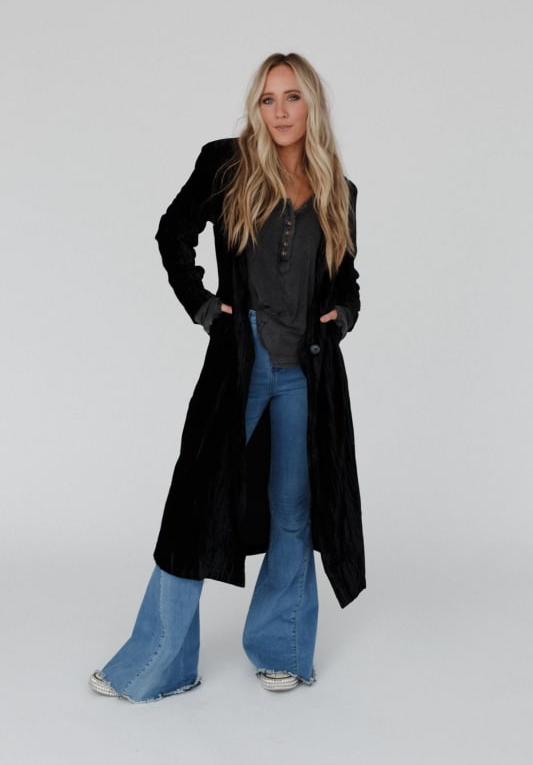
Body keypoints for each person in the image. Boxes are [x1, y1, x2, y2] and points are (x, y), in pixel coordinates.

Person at [89, 52, 365, 701]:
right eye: (268, 99)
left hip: (306, 370)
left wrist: (345, 313)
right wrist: (205, 306)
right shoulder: (226, 164)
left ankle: (282, 650)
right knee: (195, 505)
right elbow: (172, 233)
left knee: (294, 510)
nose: (280, 112)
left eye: (292, 97)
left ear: (312, 105)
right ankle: (160, 664)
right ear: (256, 107)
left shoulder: (338, 189)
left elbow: (346, 277)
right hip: (241, 364)